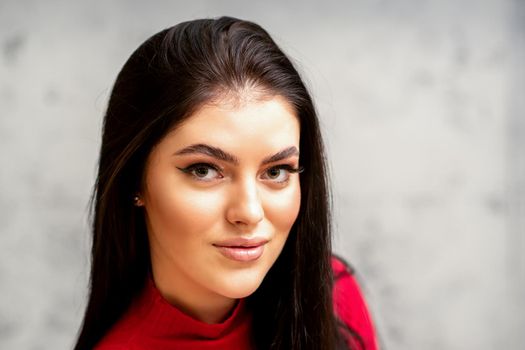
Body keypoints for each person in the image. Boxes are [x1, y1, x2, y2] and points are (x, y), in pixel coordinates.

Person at [74, 16, 378, 350]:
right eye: (204, 170)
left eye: (276, 172)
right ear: (135, 179)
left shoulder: (333, 295)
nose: (248, 212)